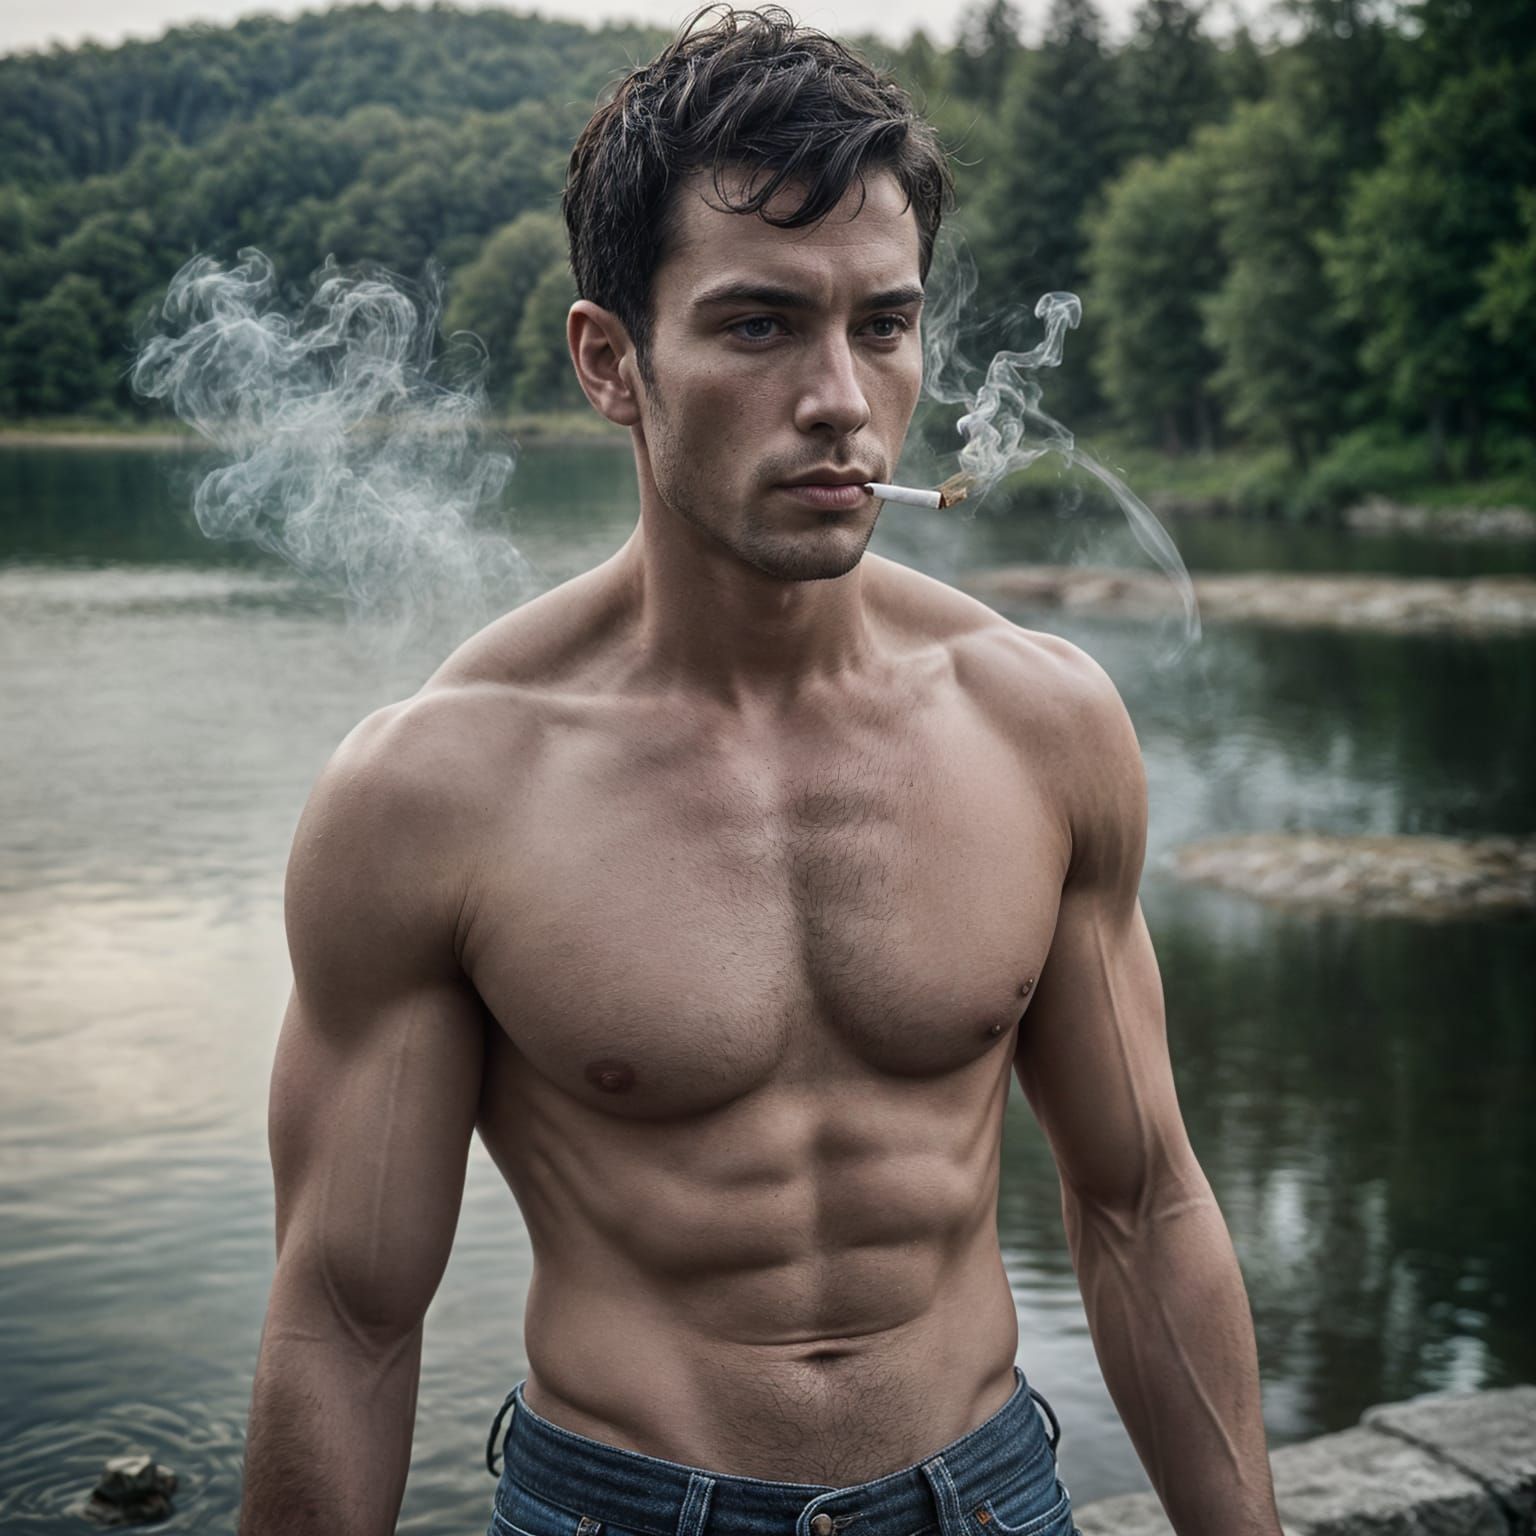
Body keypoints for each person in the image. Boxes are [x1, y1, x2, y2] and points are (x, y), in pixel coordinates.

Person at [237, 7, 1284, 1535]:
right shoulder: (437, 793)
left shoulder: (1040, 721)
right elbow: (344, 1317)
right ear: (613, 362)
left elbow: (1141, 1208)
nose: (842, 401)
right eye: (757, 325)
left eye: (882, 323)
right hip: (619, 1509)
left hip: (990, 1499)